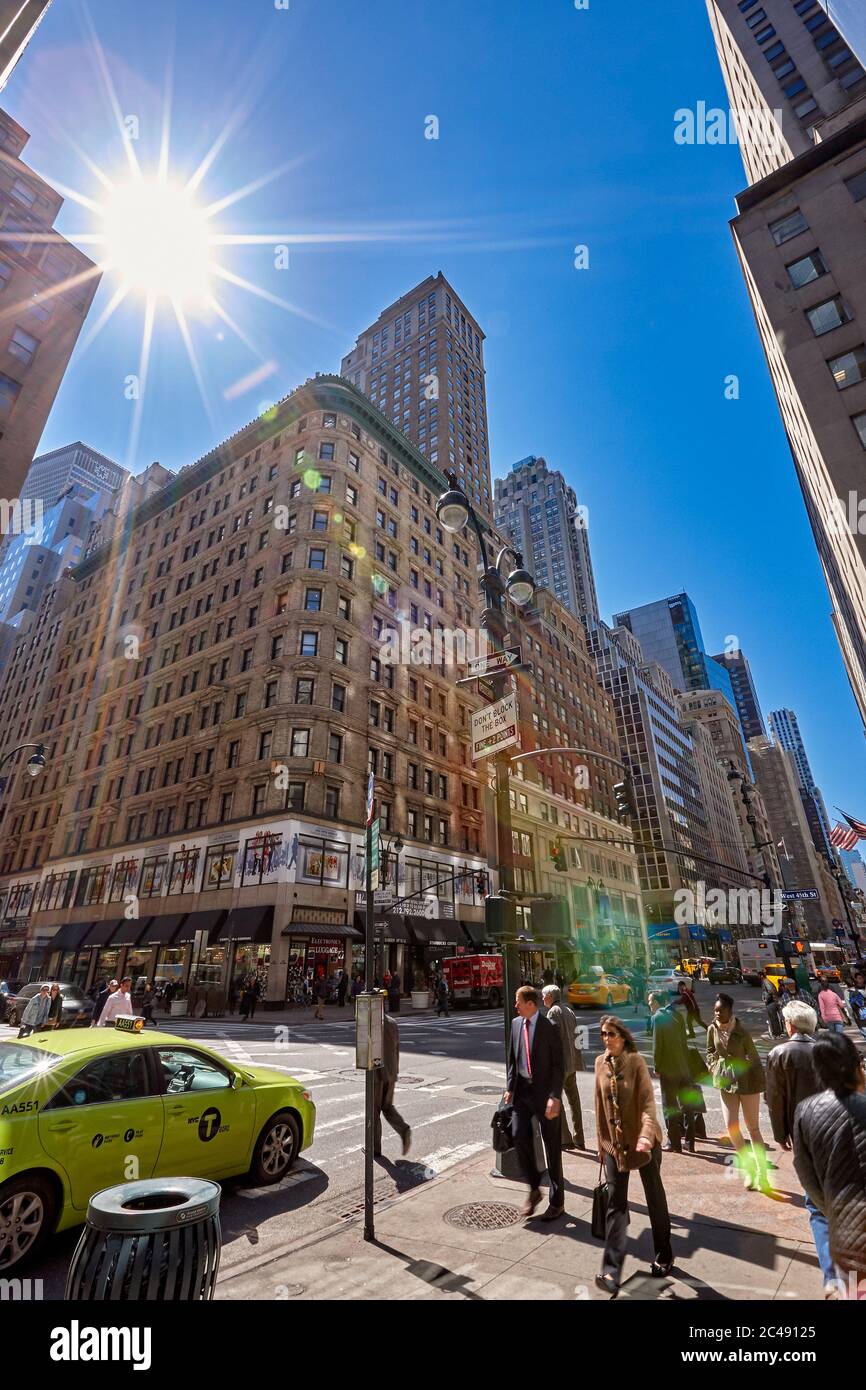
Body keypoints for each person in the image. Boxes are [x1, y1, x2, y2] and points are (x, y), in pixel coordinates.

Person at [594, 1014, 673, 1296]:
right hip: (615, 1145)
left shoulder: (636, 1063)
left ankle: (665, 1253)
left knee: (654, 1197)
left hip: (644, 1142)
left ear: (623, 1037)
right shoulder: (599, 1063)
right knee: (615, 1205)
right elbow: (599, 1107)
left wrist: (645, 1134)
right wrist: (601, 1145)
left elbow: (648, 1105)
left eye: (611, 1034)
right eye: (603, 1034)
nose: (606, 1039)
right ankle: (611, 1270)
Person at [765, 999, 837, 1297]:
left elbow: (776, 1099)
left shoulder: (778, 1053)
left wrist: (780, 1133)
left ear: (790, 1025)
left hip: (804, 1135)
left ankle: (833, 1276)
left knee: (817, 1206)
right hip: (836, 1130)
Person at [793, 1032, 866, 1293]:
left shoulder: (806, 1110)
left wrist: (833, 1213)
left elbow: (806, 1176)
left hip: (844, 1238)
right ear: (857, 1067)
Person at [503, 985, 565, 1222]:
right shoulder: (516, 1024)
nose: (515, 1005)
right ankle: (533, 1189)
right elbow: (512, 1058)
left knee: (552, 1148)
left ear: (530, 1004)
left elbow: (560, 1065)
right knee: (519, 1137)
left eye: (518, 1001)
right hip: (522, 1094)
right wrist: (510, 1087)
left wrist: (555, 1096)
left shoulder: (549, 1027)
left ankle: (557, 1202)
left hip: (545, 1095)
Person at [706, 992, 770, 1191]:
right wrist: (715, 1067)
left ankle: (762, 1175)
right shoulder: (712, 1030)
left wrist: (761, 1084)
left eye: (721, 1010)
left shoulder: (742, 1031)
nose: (717, 1013)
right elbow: (710, 1052)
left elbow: (755, 1059)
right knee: (731, 1126)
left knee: (753, 1129)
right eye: (715, 1010)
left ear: (729, 1011)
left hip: (748, 1082)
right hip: (726, 1083)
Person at [651, 992, 699, 1153]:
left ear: (658, 1002)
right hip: (683, 1068)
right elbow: (684, 1043)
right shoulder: (678, 1015)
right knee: (687, 1106)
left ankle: (674, 1143)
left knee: (669, 1107)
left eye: (651, 1002)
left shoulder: (658, 1018)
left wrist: (657, 1066)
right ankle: (690, 1142)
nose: (650, 1006)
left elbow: (657, 1046)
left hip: (668, 1070)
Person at [541, 984, 585, 1149]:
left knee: (557, 1100)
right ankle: (579, 1137)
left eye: (544, 996)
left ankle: (565, 1138)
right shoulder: (569, 1011)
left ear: (550, 997)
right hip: (572, 1062)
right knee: (574, 1101)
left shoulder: (553, 1012)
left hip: (561, 1065)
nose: (542, 999)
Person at [372, 1011, 411, 1157]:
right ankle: (403, 1129)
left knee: (373, 1110)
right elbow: (397, 1049)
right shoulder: (393, 1023)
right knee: (387, 1107)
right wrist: (395, 1071)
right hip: (392, 1071)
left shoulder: (372, 1023)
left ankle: (375, 1148)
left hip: (376, 1073)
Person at [761, 970, 784, 1040]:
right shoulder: (767, 981)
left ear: (761, 976)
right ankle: (778, 1033)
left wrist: (766, 1000)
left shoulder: (765, 981)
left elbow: (770, 991)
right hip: (774, 1001)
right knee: (775, 1019)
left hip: (771, 1002)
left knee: (773, 1019)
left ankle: (776, 1034)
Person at [848, 971, 866, 1041]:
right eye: (858, 978)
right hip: (861, 1016)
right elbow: (851, 1005)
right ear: (856, 979)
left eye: (861, 978)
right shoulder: (854, 991)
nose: (860, 980)